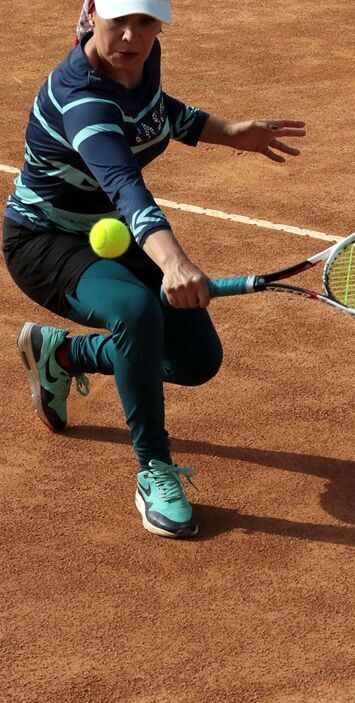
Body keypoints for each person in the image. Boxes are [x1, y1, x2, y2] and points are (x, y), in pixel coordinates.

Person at [2, 0, 305, 538]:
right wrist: (175, 264)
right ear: (92, 12)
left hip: (110, 232)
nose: (130, 36)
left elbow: (157, 111)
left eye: (145, 22)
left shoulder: (139, 60)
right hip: (44, 241)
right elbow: (127, 189)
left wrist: (228, 131)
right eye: (119, 20)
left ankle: (64, 353)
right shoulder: (82, 102)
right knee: (137, 311)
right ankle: (154, 471)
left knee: (194, 361)